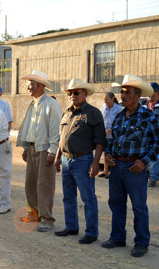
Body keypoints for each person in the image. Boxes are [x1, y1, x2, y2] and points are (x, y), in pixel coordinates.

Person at [102, 74, 159, 258]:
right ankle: (118, 237)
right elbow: (112, 139)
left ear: (138, 96)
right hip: (117, 168)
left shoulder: (148, 116)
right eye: (121, 92)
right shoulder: (120, 116)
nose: (122, 95)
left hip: (135, 169)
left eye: (127, 92)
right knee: (116, 204)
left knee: (139, 207)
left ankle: (142, 242)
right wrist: (108, 154)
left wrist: (144, 161)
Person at [54, 78, 106, 244]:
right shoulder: (67, 112)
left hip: (83, 161)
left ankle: (91, 232)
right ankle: (72, 226)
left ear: (85, 93)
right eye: (70, 93)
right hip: (66, 160)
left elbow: (100, 140)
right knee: (68, 197)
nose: (72, 96)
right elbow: (62, 138)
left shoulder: (93, 113)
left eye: (76, 93)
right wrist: (57, 158)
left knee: (87, 198)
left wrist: (95, 162)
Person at [16, 70, 62, 232]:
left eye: (31, 84)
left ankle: (47, 219)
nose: (28, 87)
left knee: (45, 185)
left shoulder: (52, 105)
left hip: (44, 150)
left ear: (40, 86)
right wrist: (26, 147)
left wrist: (52, 153)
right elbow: (29, 128)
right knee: (30, 184)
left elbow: (55, 131)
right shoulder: (33, 104)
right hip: (33, 148)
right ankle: (34, 214)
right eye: (28, 84)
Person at [99, 92, 121, 178]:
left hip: (114, 135)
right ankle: (105, 171)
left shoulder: (119, 109)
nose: (105, 101)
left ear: (112, 99)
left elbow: (120, 122)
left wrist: (111, 130)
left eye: (107, 99)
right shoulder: (103, 107)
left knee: (113, 153)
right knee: (105, 152)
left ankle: (113, 172)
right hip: (105, 134)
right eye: (104, 100)